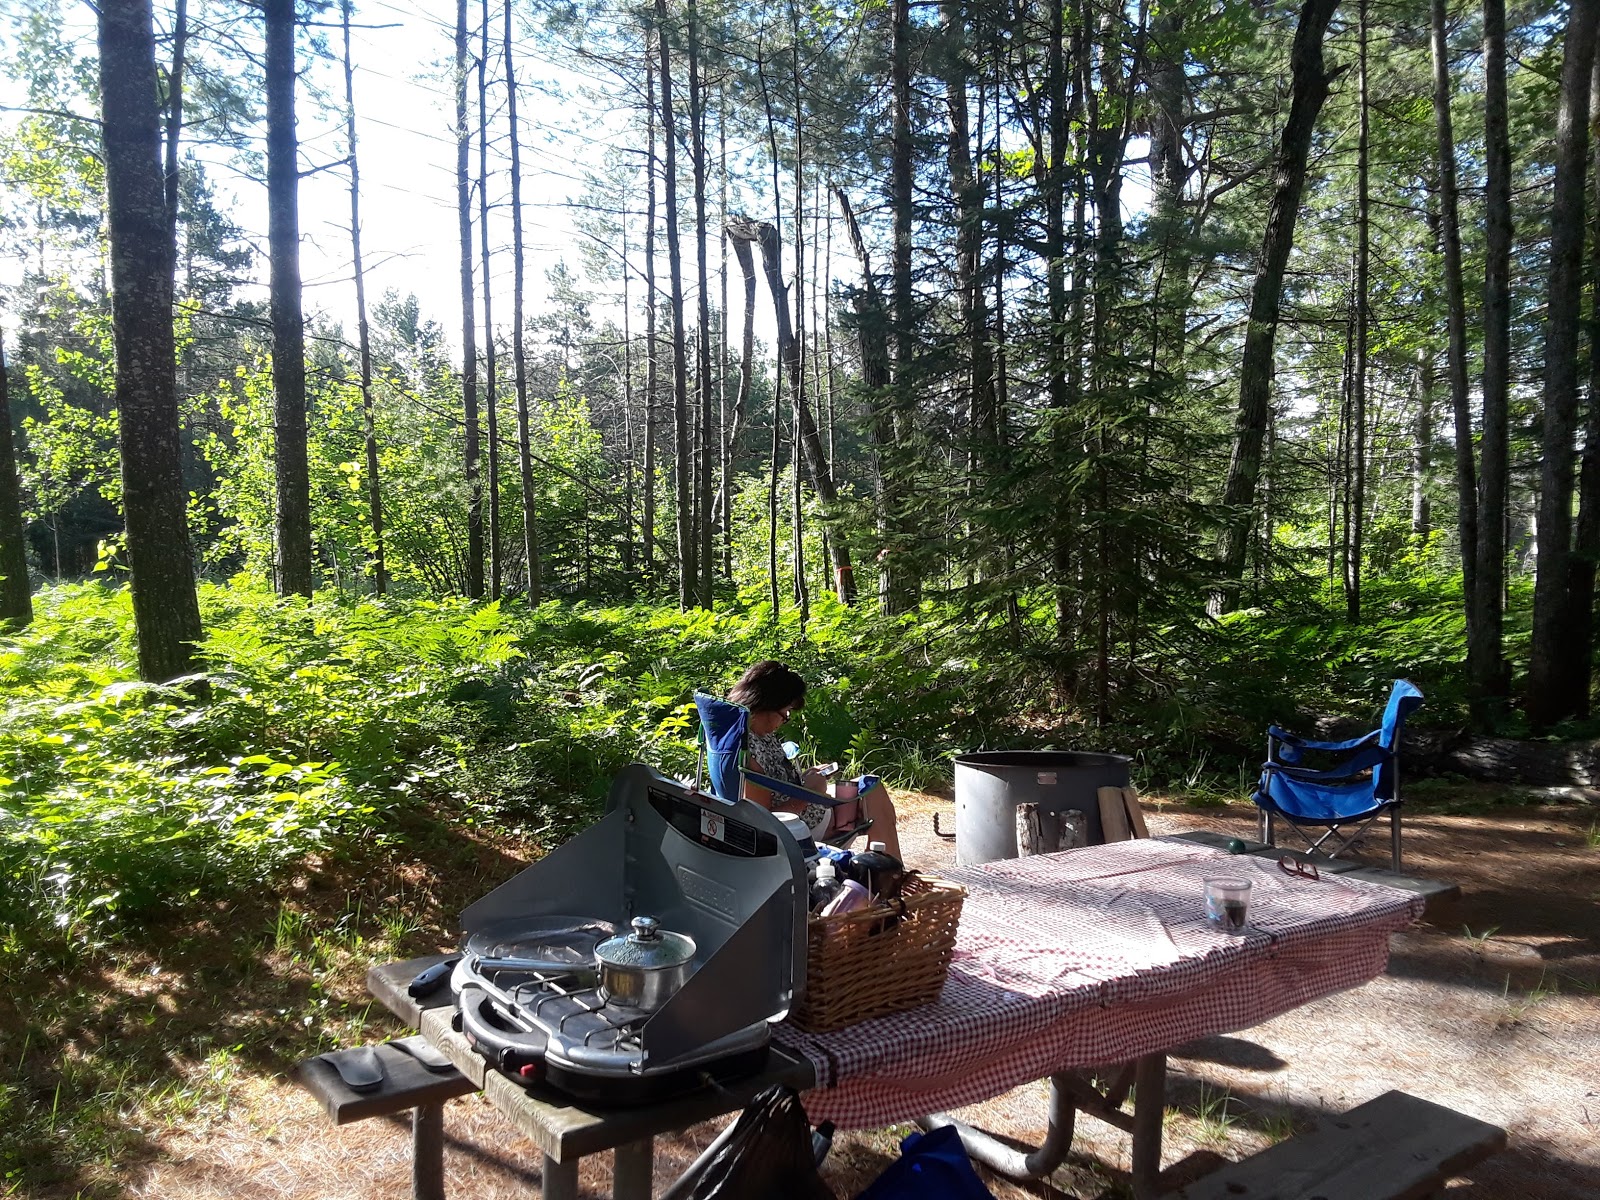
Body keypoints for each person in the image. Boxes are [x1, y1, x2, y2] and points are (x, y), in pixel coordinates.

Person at [728, 660, 902, 861]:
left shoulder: (748, 733)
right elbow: (764, 821)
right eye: (785, 713)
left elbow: (775, 785)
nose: (784, 720)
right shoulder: (749, 753)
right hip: (803, 828)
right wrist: (810, 794)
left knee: (869, 786)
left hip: (809, 809)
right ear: (767, 704)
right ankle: (889, 872)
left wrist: (807, 778)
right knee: (872, 794)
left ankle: (886, 868)